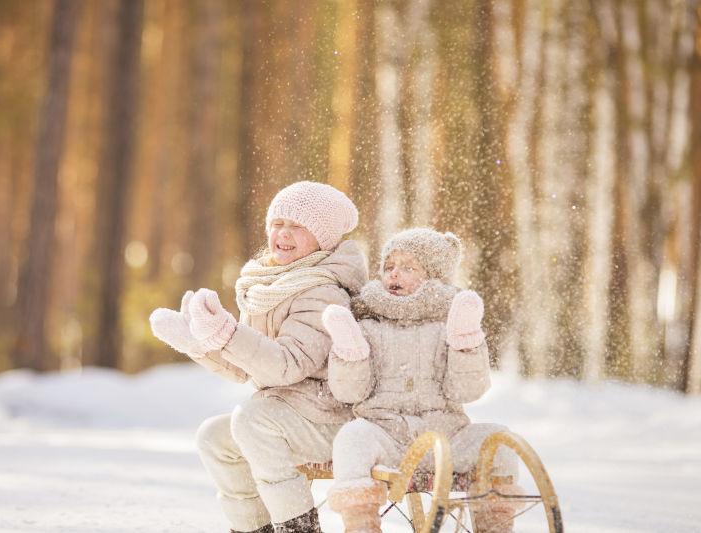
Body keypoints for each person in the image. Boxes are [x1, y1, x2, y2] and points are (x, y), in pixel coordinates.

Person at [150, 181, 368, 533]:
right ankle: (254, 528)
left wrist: (228, 334)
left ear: (323, 238)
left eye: (298, 226)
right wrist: (199, 343)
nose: (283, 233)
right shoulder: (272, 284)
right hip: (286, 416)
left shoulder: (324, 291)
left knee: (251, 419)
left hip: (329, 420)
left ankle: (297, 527)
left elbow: (287, 364)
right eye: (277, 223)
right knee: (214, 437)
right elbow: (243, 368)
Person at [322, 228, 522, 533]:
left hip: (448, 438)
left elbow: (466, 390)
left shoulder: (447, 325)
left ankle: (494, 527)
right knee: (352, 438)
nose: (394, 274)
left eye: (408, 267)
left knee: (499, 441)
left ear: (434, 276)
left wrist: (465, 344)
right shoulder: (369, 325)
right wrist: (351, 352)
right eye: (389, 266)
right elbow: (351, 393)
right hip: (387, 437)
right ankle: (361, 526)